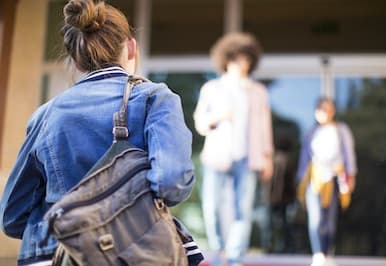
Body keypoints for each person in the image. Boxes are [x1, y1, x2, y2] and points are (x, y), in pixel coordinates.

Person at [0, 1, 195, 265]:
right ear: (131, 47)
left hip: (50, 255)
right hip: (131, 254)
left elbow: (12, 217)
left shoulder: (45, 115)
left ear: (73, 59)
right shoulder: (155, 99)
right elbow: (171, 182)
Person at [193, 32, 274, 266]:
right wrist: (218, 116)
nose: (242, 64)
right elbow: (200, 122)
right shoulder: (212, 88)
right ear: (226, 60)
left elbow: (264, 128)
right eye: (237, 59)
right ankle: (219, 252)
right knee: (211, 207)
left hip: (248, 158)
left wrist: (267, 157)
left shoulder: (259, 91)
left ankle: (235, 259)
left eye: (246, 59)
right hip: (218, 156)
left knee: (243, 210)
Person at [296, 98, 357, 266]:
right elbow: (304, 158)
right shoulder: (311, 132)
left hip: (334, 179)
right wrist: (301, 180)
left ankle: (327, 253)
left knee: (329, 221)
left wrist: (350, 176)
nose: (323, 112)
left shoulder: (341, 130)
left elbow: (348, 155)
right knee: (315, 218)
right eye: (320, 108)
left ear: (332, 111)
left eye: (326, 109)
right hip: (314, 179)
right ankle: (318, 255)